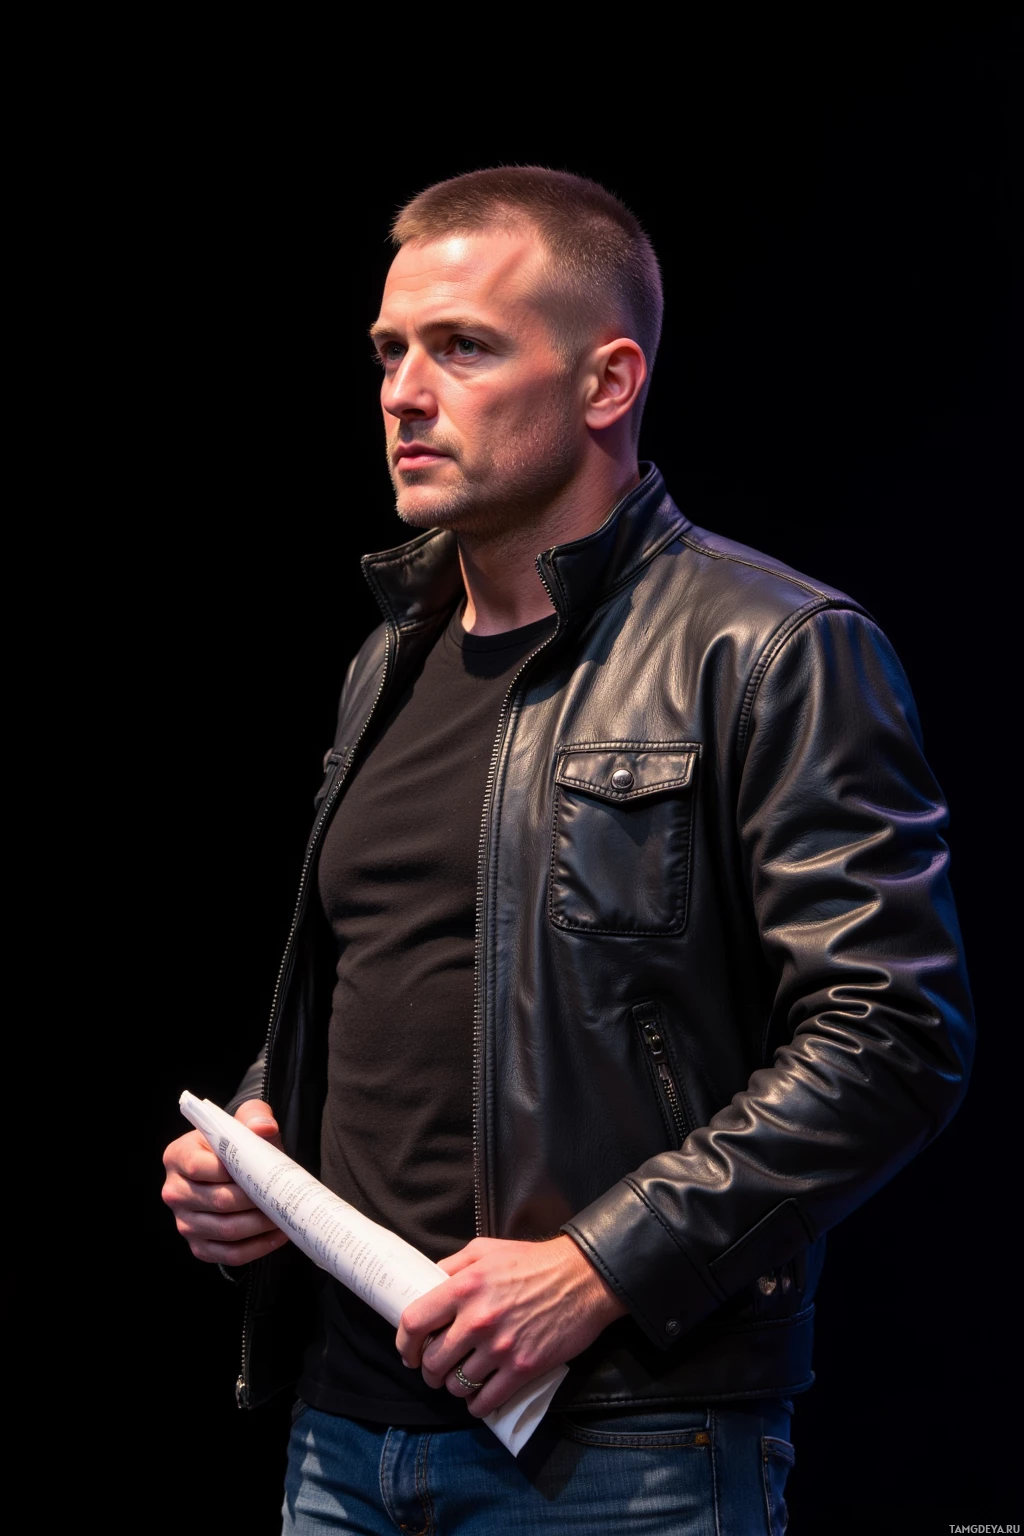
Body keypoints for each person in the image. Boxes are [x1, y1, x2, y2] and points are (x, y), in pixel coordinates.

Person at [162, 167, 973, 1534]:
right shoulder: (387, 665)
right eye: (389, 351)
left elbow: (894, 1033)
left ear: (607, 382)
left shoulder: (768, 646)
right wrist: (259, 1143)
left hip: (619, 1451)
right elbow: (388, 976)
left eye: (463, 347)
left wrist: (599, 1263)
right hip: (344, 1438)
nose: (405, 392)